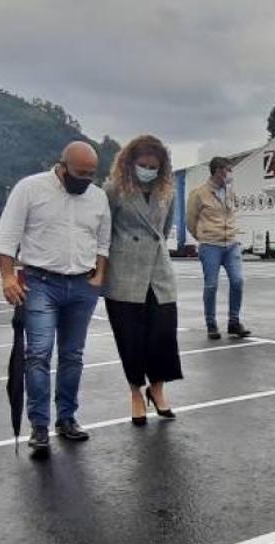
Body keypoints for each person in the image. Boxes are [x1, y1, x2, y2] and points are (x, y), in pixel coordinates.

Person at [0, 141, 109, 457]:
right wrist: (7, 277)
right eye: (79, 173)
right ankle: (40, 427)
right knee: (39, 354)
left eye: (91, 174)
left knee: (73, 355)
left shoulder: (97, 197)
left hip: (82, 286)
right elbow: (6, 238)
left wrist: (99, 276)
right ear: (62, 166)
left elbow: (104, 242)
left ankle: (67, 419)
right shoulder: (29, 189)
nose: (85, 179)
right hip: (40, 283)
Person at [102, 135, 182, 426]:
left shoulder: (167, 192)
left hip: (159, 274)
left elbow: (164, 227)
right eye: (143, 164)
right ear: (130, 162)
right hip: (124, 273)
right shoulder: (113, 190)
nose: (148, 169)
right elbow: (103, 231)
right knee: (131, 339)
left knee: (163, 336)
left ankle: (157, 390)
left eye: (154, 165)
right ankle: (136, 392)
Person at [186, 157, 252, 339]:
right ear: (217, 171)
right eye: (227, 170)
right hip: (210, 245)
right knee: (211, 285)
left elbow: (233, 212)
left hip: (231, 243)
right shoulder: (199, 194)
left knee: (238, 281)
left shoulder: (230, 192)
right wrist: (202, 236)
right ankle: (211, 324)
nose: (230, 174)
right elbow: (190, 221)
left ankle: (234, 322)